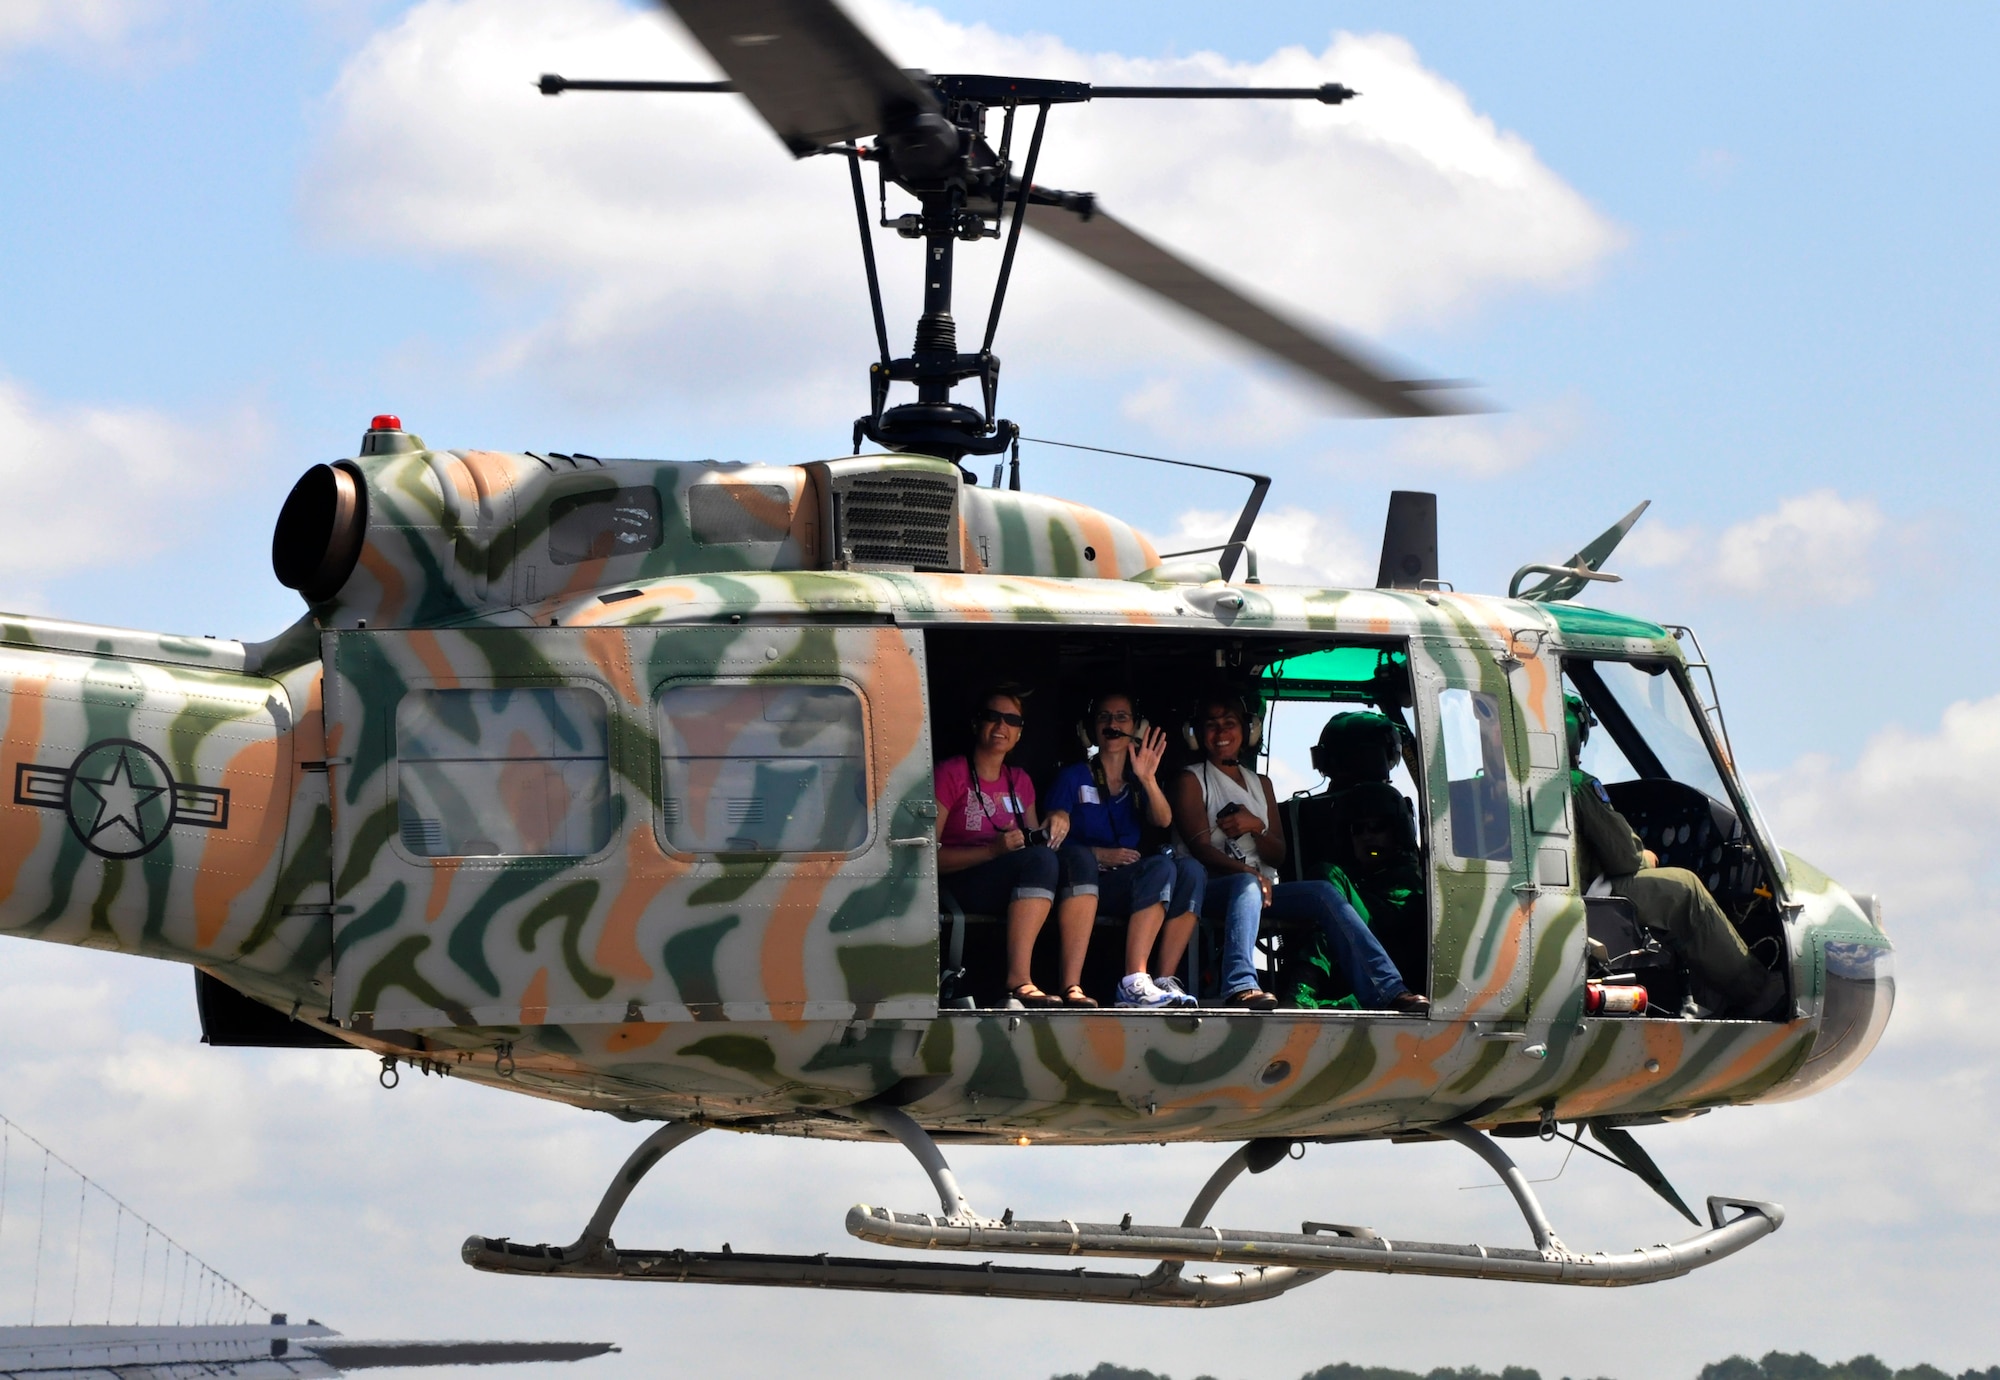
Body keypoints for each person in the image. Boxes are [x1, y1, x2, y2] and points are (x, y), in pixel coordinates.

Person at [1171, 691, 1429, 1014]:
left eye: (1230, 723)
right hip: (1210, 889)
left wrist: (1256, 827)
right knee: (1247, 886)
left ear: (1247, 730)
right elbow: (1200, 849)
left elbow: (1277, 855)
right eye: (1212, 725)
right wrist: (1249, 874)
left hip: (1261, 890)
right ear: (1197, 734)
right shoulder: (1190, 780)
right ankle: (1240, 985)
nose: (1222, 733)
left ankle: (1387, 988)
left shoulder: (1261, 784)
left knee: (1323, 890)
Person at [1565, 693, 1785, 1020]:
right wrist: (1647, 859)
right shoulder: (1577, 785)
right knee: (1684, 890)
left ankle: (1707, 998)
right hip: (1581, 901)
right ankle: (1758, 992)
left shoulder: (1486, 786)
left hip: (1549, 898)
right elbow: (1624, 857)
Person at [934, 686, 1096, 1008]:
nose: (1001, 726)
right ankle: (1019, 980)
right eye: (992, 717)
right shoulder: (950, 773)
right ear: (976, 724)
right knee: (1039, 862)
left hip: (1013, 879)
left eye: (1011, 720)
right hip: (961, 881)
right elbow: (925, 859)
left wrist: (1058, 818)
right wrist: (992, 851)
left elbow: (1038, 841)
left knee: (1078, 857)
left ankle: (1072, 985)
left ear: (1020, 733)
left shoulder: (1020, 779)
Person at [1043, 692, 1203, 1009]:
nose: (1112, 724)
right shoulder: (1073, 776)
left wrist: (1147, 779)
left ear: (1136, 726)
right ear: (1091, 728)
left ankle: (1162, 981)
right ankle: (1133, 981)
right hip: (1084, 884)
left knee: (1188, 869)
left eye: (1121, 717)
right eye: (1103, 717)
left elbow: (1164, 819)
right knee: (1160, 868)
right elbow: (1052, 840)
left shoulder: (1136, 781)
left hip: (1127, 883)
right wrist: (1098, 854)